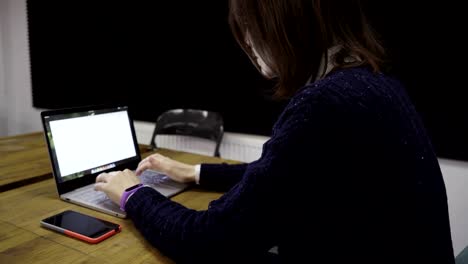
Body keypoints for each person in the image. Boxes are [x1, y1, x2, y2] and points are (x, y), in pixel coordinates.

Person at [94, 0, 455, 263]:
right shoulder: (375, 85)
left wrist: (133, 194)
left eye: (248, 28)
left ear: (281, 18)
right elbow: (286, 175)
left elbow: (208, 241)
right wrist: (196, 172)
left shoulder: (322, 103)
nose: (247, 44)